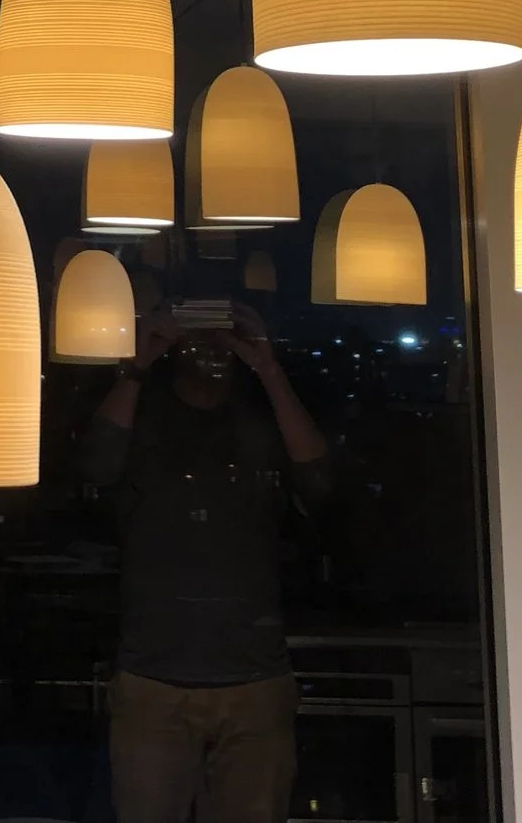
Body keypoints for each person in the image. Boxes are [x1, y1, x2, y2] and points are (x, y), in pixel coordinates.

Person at [80, 298, 334, 823]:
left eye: (221, 337)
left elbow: (321, 484)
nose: (210, 350)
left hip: (252, 678)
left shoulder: (261, 423)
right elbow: (96, 465)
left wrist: (269, 368)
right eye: (197, 336)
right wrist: (138, 363)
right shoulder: (146, 418)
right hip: (154, 678)